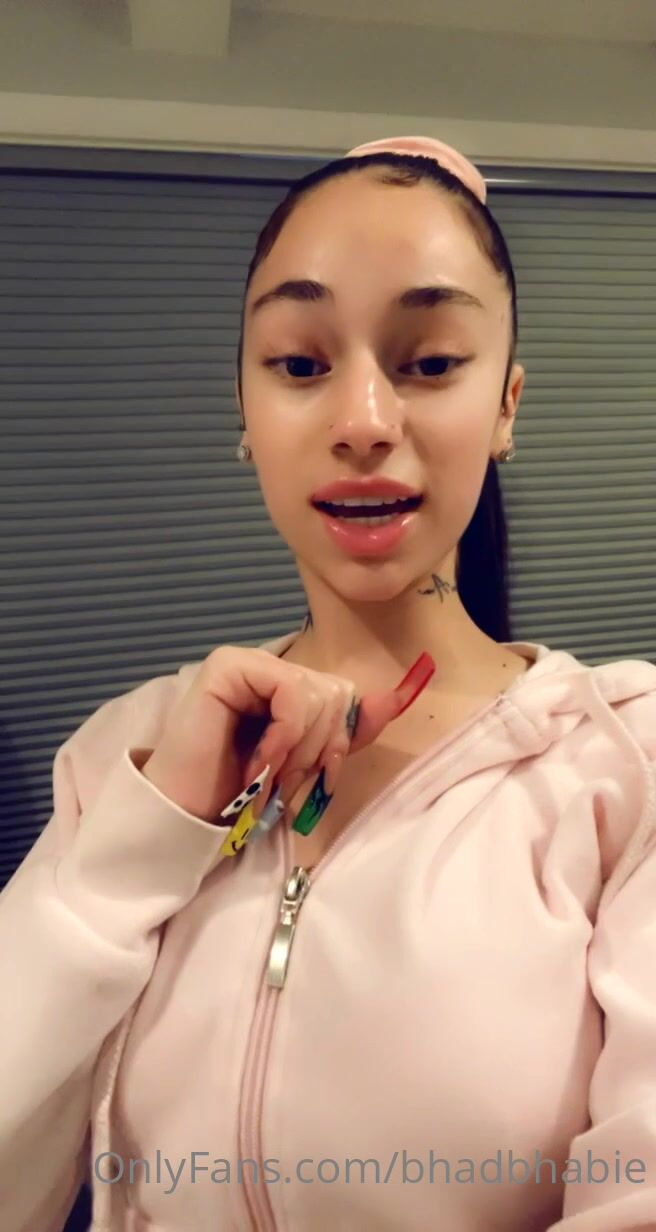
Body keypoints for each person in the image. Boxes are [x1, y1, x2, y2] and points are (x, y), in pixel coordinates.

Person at [1, 135, 656, 1232]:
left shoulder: (626, 767)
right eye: (300, 365)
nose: (362, 422)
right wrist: (145, 841)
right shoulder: (125, 754)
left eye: (428, 363)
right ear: (244, 410)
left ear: (505, 406)